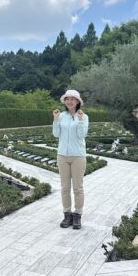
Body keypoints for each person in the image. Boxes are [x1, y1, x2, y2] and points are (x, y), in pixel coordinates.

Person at [52, 89, 89, 230]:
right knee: (65, 188)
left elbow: (82, 135)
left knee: (78, 188)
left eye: (72, 99)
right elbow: (56, 134)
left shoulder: (84, 116)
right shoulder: (61, 116)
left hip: (78, 156)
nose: (69, 101)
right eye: (67, 99)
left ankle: (77, 215)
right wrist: (55, 120)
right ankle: (67, 215)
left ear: (78, 101)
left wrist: (79, 121)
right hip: (62, 156)